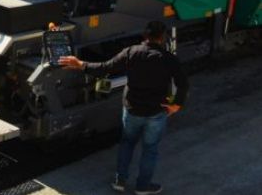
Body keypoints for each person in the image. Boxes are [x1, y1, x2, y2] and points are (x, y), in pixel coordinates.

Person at [59, 21, 188, 195]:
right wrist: (176, 105)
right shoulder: (169, 59)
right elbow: (183, 84)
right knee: (150, 150)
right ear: (162, 37)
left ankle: (120, 180)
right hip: (157, 112)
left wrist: (80, 64)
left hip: (132, 110)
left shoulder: (131, 52)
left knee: (127, 144)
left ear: (145, 36)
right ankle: (142, 187)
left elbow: (105, 68)